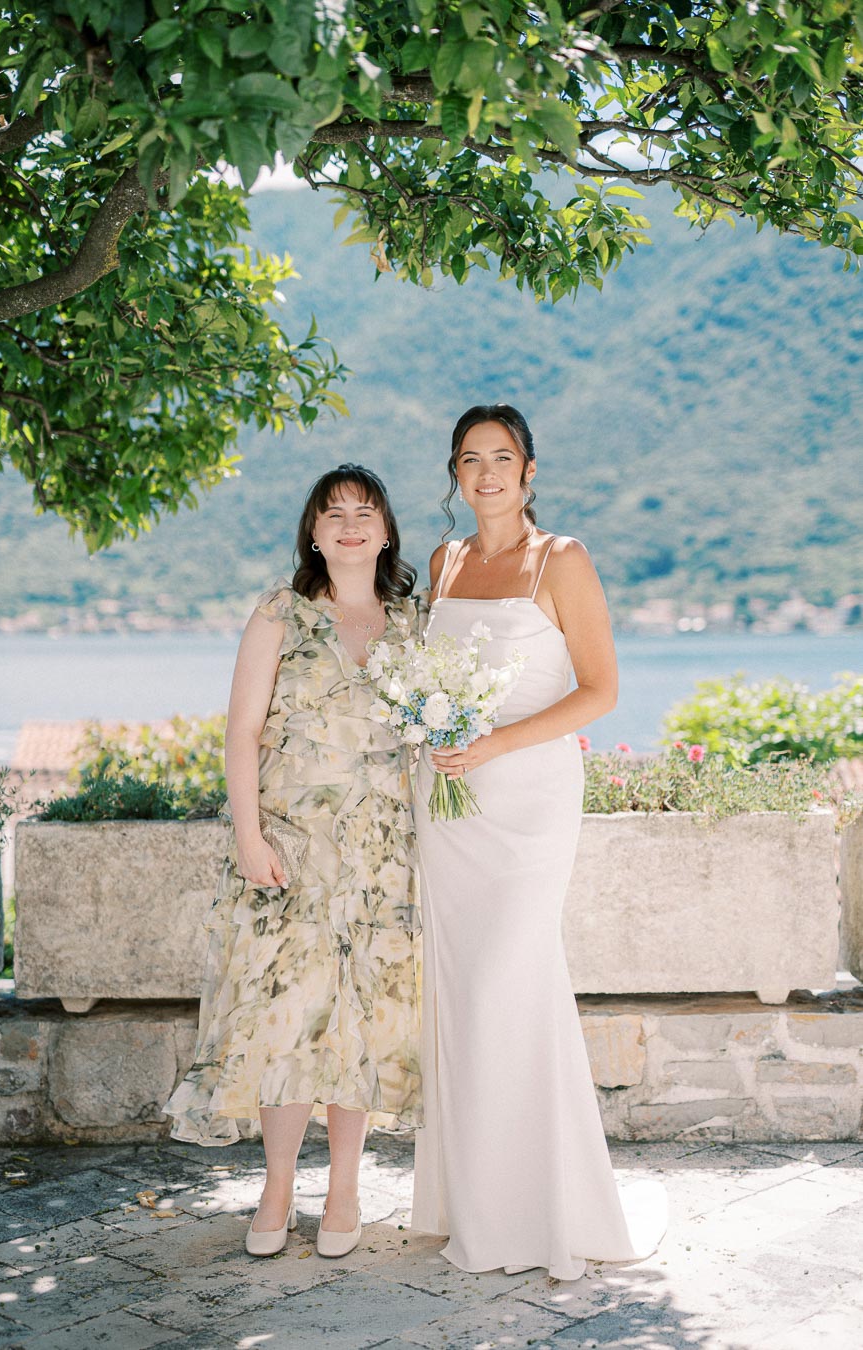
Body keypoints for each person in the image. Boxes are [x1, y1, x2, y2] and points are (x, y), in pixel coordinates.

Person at [411, 404, 666, 1279]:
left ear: (529, 472)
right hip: (447, 807)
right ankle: (476, 1204)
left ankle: (540, 1212)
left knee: (508, 986)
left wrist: (494, 745)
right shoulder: (443, 565)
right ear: (455, 473)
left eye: (503, 458)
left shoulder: (564, 560)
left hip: (526, 804)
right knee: (463, 994)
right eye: (470, 459)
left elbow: (600, 691)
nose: (486, 474)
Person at [165, 464, 423, 1260]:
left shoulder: (413, 625)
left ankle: (344, 1186)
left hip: (383, 858)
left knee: (362, 1026)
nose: (349, 525)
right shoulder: (279, 613)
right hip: (290, 851)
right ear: (313, 531)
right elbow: (242, 732)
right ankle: (278, 1185)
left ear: (385, 532)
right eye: (333, 512)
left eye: (364, 512)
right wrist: (250, 839)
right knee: (283, 1023)